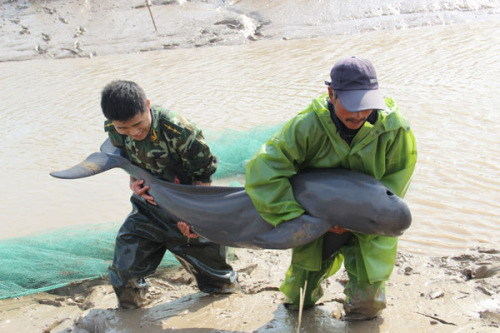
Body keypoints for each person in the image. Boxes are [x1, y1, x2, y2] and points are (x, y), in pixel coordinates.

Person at [244, 56, 417, 320]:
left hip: (369, 222)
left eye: (366, 106)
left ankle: (358, 307)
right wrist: (296, 217)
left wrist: (359, 221)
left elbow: (397, 180)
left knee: (369, 307)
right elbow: (263, 171)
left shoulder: (394, 129)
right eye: (352, 105)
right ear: (331, 94)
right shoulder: (307, 126)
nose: (359, 115)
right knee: (298, 298)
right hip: (317, 219)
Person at [100, 80, 239, 309]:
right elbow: (125, 158)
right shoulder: (114, 129)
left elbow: (203, 175)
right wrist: (133, 182)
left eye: (138, 124)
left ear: (147, 105)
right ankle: (133, 314)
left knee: (219, 285)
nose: (133, 133)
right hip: (149, 208)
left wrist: (194, 217)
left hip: (189, 204)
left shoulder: (179, 130)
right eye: (123, 129)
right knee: (123, 274)